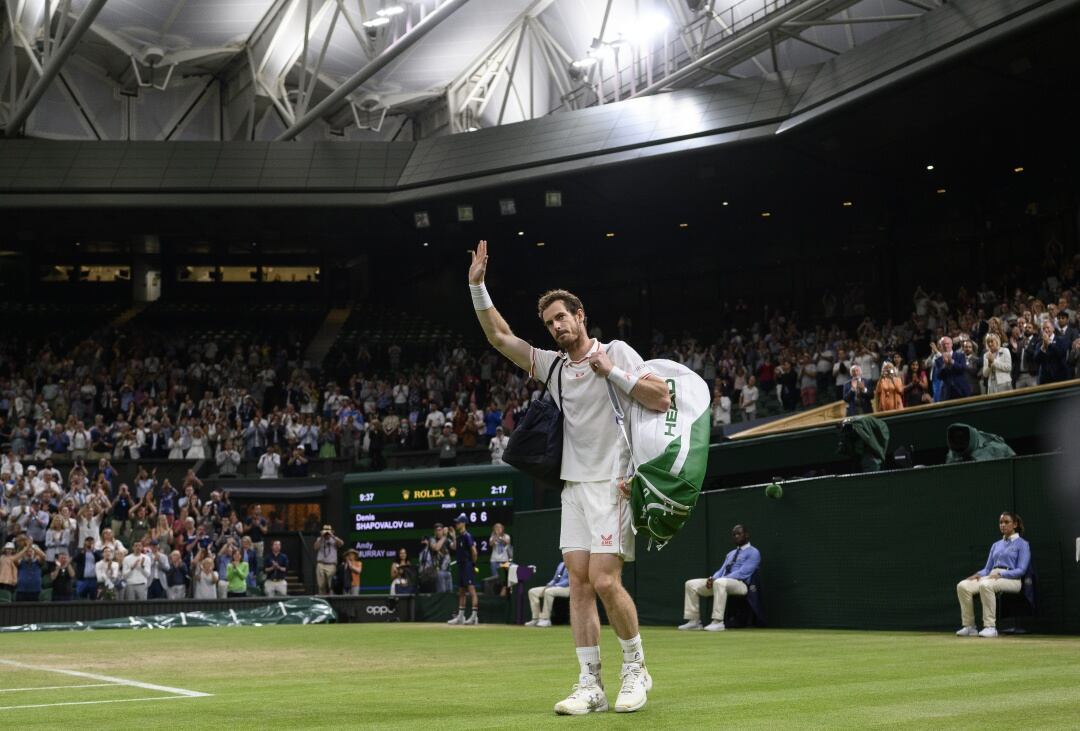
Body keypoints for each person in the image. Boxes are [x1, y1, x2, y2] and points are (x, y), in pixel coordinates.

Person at [468, 240, 671, 714]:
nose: (556, 326)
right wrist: (477, 287)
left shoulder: (615, 350)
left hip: (614, 483)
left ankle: (636, 668)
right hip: (574, 488)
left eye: (562, 317)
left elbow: (660, 397)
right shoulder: (553, 366)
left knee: (604, 580)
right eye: (549, 323)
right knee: (578, 584)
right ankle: (590, 684)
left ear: (580, 315)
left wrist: (612, 373)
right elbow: (501, 338)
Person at [956, 511, 1030, 638]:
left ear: (1015, 524)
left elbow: (1021, 570)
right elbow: (987, 569)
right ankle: (969, 626)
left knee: (986, 585)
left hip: (1013, 579)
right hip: (991, 576)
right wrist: (977, 574)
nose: (1003, 525)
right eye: (1001, 522)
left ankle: (990, 627)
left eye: (1006, 522)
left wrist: (1002, 574)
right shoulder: (996, 545)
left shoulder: (1023, 544)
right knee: (963, 586)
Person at [678, 524, 761, 632]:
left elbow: (743, 573)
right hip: (722, 582)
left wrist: (719, 580)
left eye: (739, 534)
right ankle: (694, 621)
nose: (736, 536)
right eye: (734, 534)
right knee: (690, 584)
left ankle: (718, 622)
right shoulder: (730, 554)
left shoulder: (754, 552)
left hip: (741, 585)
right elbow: (721, 570)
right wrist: (712, 578)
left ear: (746, 535)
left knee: (720, 582)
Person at [446, 513, 479, 625]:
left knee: (472, 591)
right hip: (461, 566)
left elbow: (474, 551)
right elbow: (454, 547)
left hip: (467, 566)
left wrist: (473, 564)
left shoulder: (467, 536)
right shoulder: (460, 536)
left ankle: (474, 617)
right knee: (461, 592)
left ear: (463, 523)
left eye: (458, 522)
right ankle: (460, 617)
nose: (456, 524)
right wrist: (453, 536)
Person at [526, 560, 571, 627]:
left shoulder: (573, 564)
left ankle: (546, 619)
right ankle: (536, 618)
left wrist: (555, 586)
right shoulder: (561, 564)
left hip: (569, 588)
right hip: (555, 586)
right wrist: (549, 585)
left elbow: (568, 581)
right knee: (532, 592)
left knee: (549, 591)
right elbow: (555, 579)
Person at [929, 336, 971, 402]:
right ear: (941, 346)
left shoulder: (960, 355)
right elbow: (939, 376)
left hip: (962, 390)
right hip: (947, 393)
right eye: (943, 344)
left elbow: (963, 368)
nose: (946, 346)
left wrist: (952, 362)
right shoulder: (939, 360)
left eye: (947, 344)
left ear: (951, 344)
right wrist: (944, 366)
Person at [314, 524, 343, 594]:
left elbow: (341, 544)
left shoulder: (334, 539)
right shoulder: (320, 539)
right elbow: (315, 547)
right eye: (325, 532)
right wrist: (321, 537)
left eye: (328, 532)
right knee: (321, 585)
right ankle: (322, 600)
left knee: (331, 585)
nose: (327, 534)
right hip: (321, 564)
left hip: (331, 565)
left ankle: (331, 600)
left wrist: (332, 536)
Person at [488, 522, 512, 590]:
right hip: (494, 561)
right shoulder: (492, 537)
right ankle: (497, 592)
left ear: (503, 529)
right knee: (495, 578)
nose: (498, 529)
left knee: (505, 578)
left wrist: (500, 537)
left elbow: (507, 542)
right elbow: (491, 544)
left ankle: (504, 592)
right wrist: (495, 537)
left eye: (499, 527)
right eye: (496, 527)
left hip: (504, 560)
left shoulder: (507, 536)